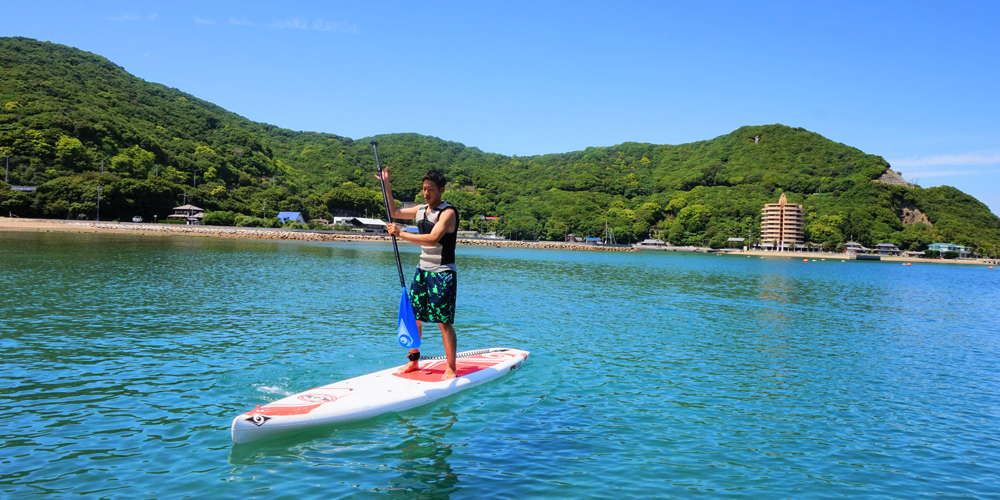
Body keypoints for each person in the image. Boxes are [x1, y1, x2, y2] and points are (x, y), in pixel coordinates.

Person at [376, 169, 460, 380]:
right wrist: (387, 185)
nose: (426, 193)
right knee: (414, 319)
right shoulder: (420, 210)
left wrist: (401, 234)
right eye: (424, 189)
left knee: (443, 322)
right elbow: (394, 211)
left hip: (442, 273)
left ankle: (451, 367)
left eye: (430, 190)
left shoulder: (448, 212)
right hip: (422, 271)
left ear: (441, 190)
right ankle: (413, 360)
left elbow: (432, 239)